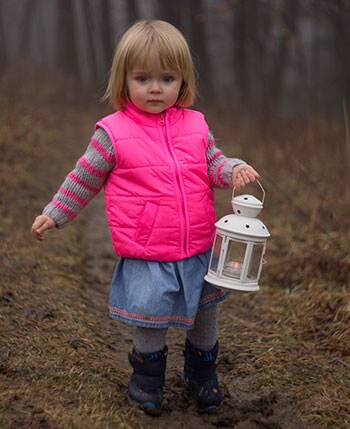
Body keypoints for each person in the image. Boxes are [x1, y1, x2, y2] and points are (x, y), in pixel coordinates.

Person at [31, 20, 260, 416]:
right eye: (143, 78)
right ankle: (147, 379)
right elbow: (84, 178)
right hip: (147, 249)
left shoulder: (195, 125)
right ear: (124, 82)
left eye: (167, 78)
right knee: (151, 317)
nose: (155, 88)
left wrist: (234, 168)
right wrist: (55, 213)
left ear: (182, 81)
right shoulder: (113, 133)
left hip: (199, 248)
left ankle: (201, 375)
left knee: (206, 315)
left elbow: (213, 164)